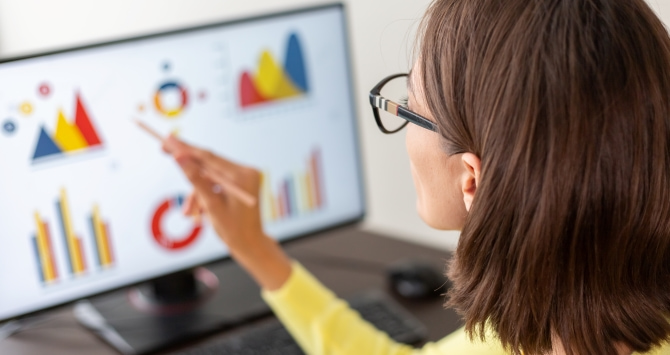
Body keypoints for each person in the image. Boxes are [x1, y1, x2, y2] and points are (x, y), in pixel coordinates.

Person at [161, 0, 670, 354]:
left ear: (473, 181)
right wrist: (256, 249)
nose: (401, 121)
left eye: (411, 108)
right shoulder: (558, 314)